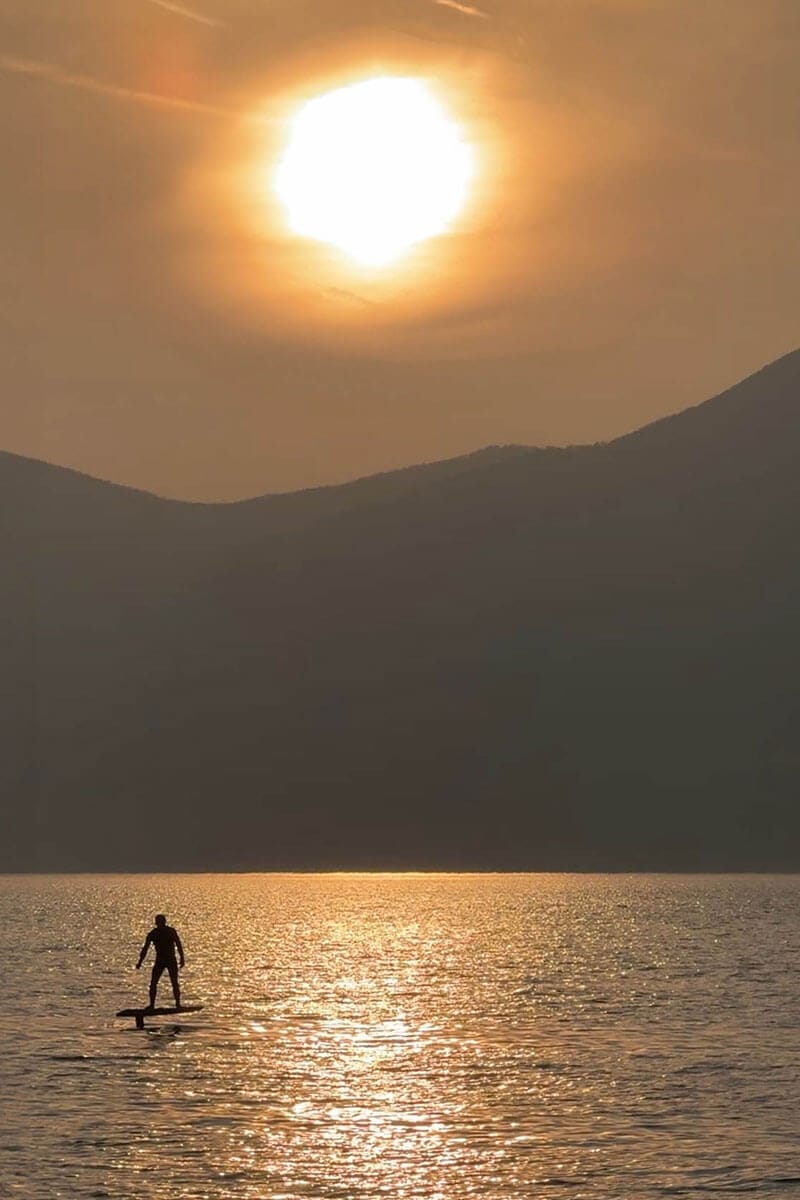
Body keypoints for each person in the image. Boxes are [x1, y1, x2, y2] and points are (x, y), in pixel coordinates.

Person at [136, 914, 185, 1009]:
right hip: (161, 960)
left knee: (173, 982)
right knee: (154, 982)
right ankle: (153, 1005)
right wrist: (140, 962)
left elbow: (178, 944)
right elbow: (145, 949)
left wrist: (182, 958)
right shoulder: (154, 933)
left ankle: (177, 1004)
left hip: (170, 960)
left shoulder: (169, 931)